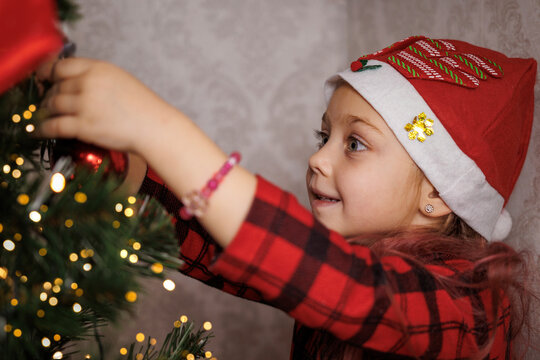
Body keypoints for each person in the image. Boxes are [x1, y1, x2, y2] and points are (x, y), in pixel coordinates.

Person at [36, 35, 537, 359]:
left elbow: (336, 282)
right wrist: (129, 170)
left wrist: (159, 129)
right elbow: (227, 251)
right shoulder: (347, 259)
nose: (319, 160)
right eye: (325, 138)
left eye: (355, 144)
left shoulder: (469, 306)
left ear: (436, 193)